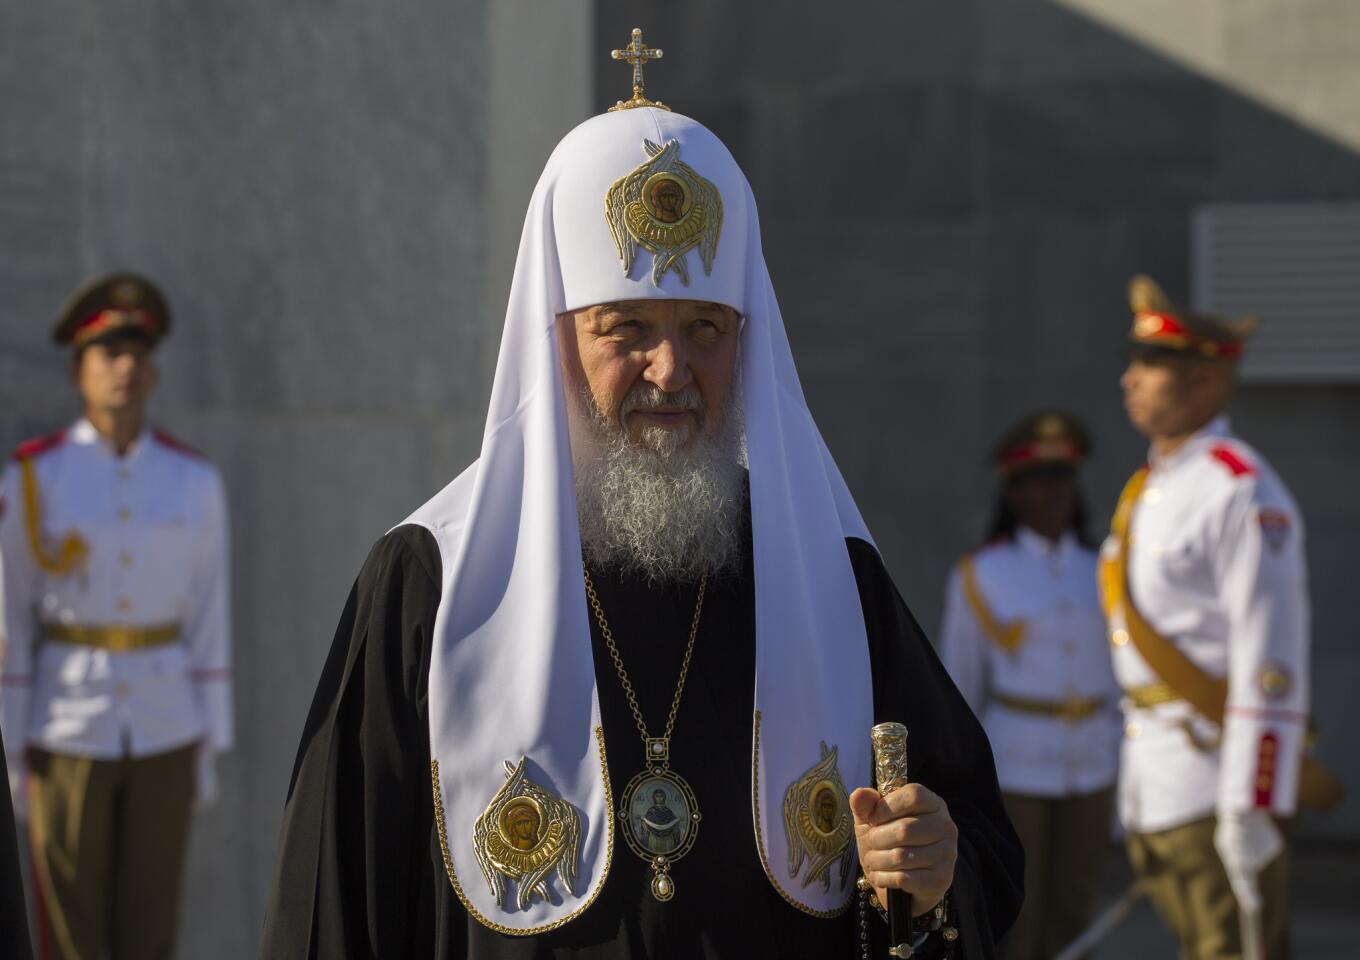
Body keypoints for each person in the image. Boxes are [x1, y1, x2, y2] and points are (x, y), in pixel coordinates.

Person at [258, 34, 1021, 959]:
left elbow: (970, 847)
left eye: (705, 327)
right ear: (558, 340)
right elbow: (333, 907)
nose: (672, 369)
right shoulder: (431, 581)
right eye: (626, 328)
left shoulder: (829, 576)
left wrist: (935, 865)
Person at [0, 272, 233, 960]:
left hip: (166, 720)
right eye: (109, 354)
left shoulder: (192, 479)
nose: (125, 367)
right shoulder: (33, 477)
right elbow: (9, 613)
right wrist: (11, 746)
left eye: (138, 352)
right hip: (69, 721)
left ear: (154, 368)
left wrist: (209, 738)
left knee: (151, 924)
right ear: (80, 371)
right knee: (69, 930)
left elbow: (210, 612)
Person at [1102, 275, 1312, 958]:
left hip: (1212, 780)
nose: (1130, 380)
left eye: (1152, 367)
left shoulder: (1238, 485)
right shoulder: (1151, 486)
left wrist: (1253, 797)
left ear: (1204, 384)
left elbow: (1270, 656)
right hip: (1152, 779)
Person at [940, 411, 1120, 959]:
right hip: (1017, 761)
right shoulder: (982, 572)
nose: (1055, 493)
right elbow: (960, 683)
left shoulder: (1106, 567)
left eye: (1064, 479)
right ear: (1014, 493)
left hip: (1093, 757)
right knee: (1019, 906)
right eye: (1040, 481)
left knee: (1075, 905)